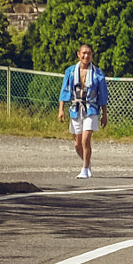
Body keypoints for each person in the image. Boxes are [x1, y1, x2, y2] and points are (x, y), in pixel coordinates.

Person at [56, 43, 107, 178]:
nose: (86, 56)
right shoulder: (71, 72)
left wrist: (104, 114)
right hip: (75, 109)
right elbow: (65, 91)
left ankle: (84, 169)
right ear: (78, 54)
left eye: (89, 53)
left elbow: (103, 94)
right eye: (83, 53)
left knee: (86, 140)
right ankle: (87, 163)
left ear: (92, 55)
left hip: (91, 109)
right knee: (77, 144)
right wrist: (61, 109)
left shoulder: (98, 73)